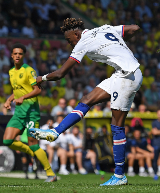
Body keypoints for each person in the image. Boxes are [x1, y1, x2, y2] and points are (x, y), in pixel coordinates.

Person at [30, 18, 142, 186]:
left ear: (76, 34)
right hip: (122, 73)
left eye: (69, 40)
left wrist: (41, 78)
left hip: (128, 76)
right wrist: (119, 48)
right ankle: (55, 132)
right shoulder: (105, 28)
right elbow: (135, 28)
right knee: (86, 100)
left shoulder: (83, 41)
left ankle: (119, 175)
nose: (70, 44)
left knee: (117, 125)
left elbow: (61, 73)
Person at [3, 43, 56, 182]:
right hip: (19, 113)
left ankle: (50, 174)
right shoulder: (11, 72)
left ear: (23, 56)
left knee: (34, 144)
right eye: (15, 53)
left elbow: (38, 89)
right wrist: (9, 100)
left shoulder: (29, 70)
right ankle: (29, 152)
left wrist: (23, 98)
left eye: (20, 54)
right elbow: (17, 91)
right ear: (11, 55)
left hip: (31, 113)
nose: (17, 56)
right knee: (7, 140)